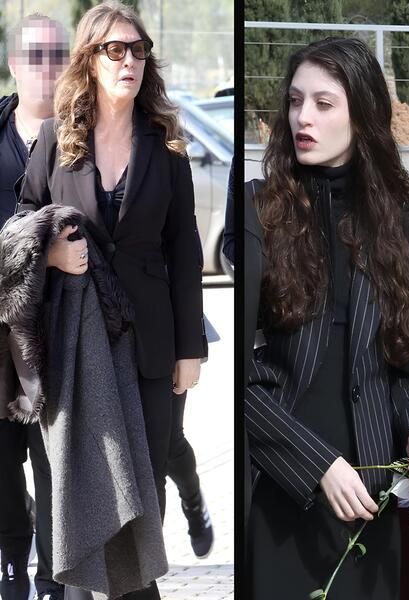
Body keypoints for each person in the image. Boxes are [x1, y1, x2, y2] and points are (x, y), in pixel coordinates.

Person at [15, 1, 205, 597]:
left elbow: (185, 249)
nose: (129, 61)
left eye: (138, 50)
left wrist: (190, 349)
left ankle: (134, 586)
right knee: (81, 483)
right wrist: (50, 255)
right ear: (90, 60)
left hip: (150, 344)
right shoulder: (56, 136)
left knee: (146, 483)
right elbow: (25, 217)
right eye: (115, 50)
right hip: (78, 345)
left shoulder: (166, 145)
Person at [244, 37, 409, 598]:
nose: (302, 117)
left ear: (364, 115)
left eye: (323, 103)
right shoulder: (257, 210)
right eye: (295, 101)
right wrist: (317, 465)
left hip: (371, 499)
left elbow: (397, 364)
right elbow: (240, 376)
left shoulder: (397, 220)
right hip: (284, 492)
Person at [0, 15, 68, 600]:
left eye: (57, 54)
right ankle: (12, 565)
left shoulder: (84, 140)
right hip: (0, 339)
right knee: (2, 469)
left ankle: (51, 579)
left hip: (63, 333)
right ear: (13, 64)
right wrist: (42, 256)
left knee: (54, 469)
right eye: (35, 55)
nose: (48, 67)